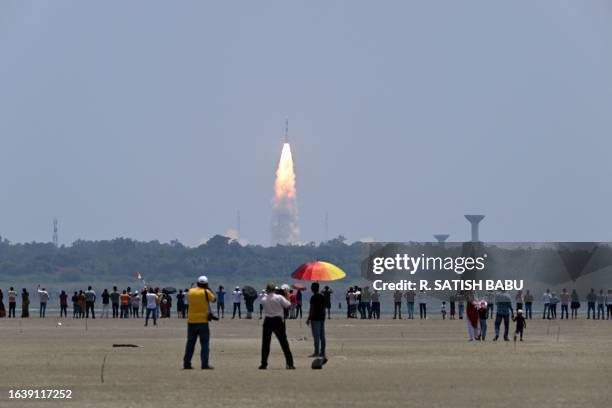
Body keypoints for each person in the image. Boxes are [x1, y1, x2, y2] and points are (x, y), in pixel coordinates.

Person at [183, 276, 216, 369]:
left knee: (190, 344)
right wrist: (209, 289)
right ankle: (204, 364)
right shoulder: (206, 292)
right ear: (206, 284)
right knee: (205, 344)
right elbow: (214, 300)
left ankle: (186, 363)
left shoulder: (190, 291)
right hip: (203, 321)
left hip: (191, 321)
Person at [258, 283, 294, 370]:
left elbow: (263, 302)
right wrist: (287, 295)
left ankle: (264, 363)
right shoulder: (279, 297)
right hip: (278, 321)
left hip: (267, 321)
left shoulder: (263, 299)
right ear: (274, 289)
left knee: (265, 343)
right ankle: (290, 363)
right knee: (284, 343)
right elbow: (288, 306)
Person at [307, 282, 327, 360]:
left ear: (313, 288)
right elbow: (324, 308)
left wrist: (308, 318)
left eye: (312, 287)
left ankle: (316, 352)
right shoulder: (322, 297)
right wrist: (324, 317)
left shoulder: (313, 297)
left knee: (316, 336)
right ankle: (322, 352)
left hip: (315, 318)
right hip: (321, 318)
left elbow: (312, 309)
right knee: (322, 336)